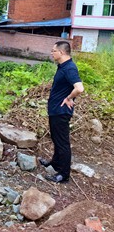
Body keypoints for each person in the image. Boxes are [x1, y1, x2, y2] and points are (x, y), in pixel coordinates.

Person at [40, 41, 84, 183]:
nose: (51, 53)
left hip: (61, 111)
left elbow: (79, 88)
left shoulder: (69, 68)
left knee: (62, 142)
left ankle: (64, 174)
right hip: (55, 110)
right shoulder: (63, 66)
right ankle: (56, 163)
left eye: (54, 51)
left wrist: (69, 98)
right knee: (56, 139)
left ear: (62, 52)